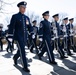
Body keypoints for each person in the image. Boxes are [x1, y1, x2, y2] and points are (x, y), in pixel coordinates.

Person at [8, 1, 33, 72]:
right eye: (22, 7)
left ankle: (15, 58)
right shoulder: (15, 16)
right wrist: (10, 35)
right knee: (23, 51)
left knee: (20, 51)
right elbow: (11, 27)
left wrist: (32, 32)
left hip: (25, 37)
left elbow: (30, 27)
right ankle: (25, 66)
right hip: (18, 37)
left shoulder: (26, 18)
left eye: (25, 7)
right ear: (19, 8)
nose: (24, 9)